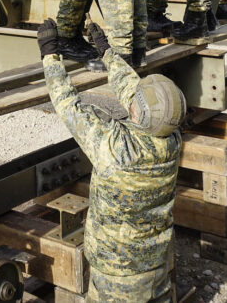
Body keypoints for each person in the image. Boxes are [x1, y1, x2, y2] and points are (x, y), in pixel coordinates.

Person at [38, 19, 185, 301]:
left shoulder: (114, 148)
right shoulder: (171, 139)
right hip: (156, 263)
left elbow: (68, 104)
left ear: (138, 114)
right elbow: (135, 92)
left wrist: (50, 56)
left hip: (116, 274)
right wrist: (107, 52)